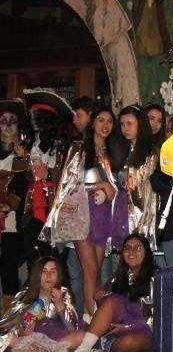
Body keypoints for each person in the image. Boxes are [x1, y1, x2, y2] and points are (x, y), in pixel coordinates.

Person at [46, 106, 126, 319]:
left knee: (97, 271)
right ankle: (90, 321)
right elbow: (69, 182)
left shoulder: (113, 152)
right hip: (81, 215)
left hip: (102, 218)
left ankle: (90, 317)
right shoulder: (79, 148)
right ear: (92, 123)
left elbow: (118, 186)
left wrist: (110, 189)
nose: (105, 125)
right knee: (89, 270)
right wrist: (100, 184)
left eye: (109, 121)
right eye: (101, 120)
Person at [71, 233, 155, 352]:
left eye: (137, 248)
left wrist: (127, 326)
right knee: (111, 301)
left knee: (127, 343)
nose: (131, 251)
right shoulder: (118, 277)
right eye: (127, 248)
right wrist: (100, 295)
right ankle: (82, 351)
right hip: (114, 328)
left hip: (146, 330)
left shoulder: (157, 278)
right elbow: (105, 307)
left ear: (147, 252)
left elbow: (161, 316)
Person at [22, 89, 74, 268]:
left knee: (53, 262)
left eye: (36, 114)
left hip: (54, 209)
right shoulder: (29, 145)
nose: (31, 118)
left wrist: (49, 174)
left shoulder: (64, 147)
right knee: (34, 260)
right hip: (31, 209)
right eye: (31, 114)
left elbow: (72, 178)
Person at [0, 256, 81, 352]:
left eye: (53, 271)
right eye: (44, 271)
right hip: (28, 340)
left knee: (80, 336)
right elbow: (6, 324)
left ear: (58, 275)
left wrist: (60, 304)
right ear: (37, 275)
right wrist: (21, 331)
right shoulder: (25, 294)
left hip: (55, 339)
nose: (49, 276)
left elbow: (73, 328)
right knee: (8, 339)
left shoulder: (63, 292)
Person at [0, 100, 28, 314]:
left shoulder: (23, 156)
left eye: (12, 122)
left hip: (10, 224)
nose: (8, 126)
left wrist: (8, 205)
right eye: (3, 122)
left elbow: (23, 190)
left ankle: (9, 324)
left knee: (9, 272)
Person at [118, 105, 159, 248]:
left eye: (129, 124)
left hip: (144, 217)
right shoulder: (122, 150)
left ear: (140, 124)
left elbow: (149, 193)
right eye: (122, 124)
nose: (125, 128)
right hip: (121, 215)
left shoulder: (151, 153)